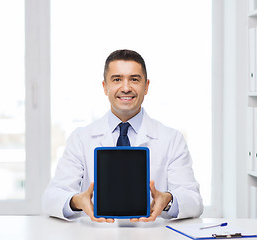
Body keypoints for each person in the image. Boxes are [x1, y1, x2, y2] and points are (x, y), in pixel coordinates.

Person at [42, 49, 203, 222]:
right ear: (105, 87)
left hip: (152, 235)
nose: (126, 88)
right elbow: (51, 197)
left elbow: (194, 200)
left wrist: (168, 201)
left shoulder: (172, 139)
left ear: (146, 86)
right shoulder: (81, 138)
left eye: (134, 79)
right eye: (117, 79)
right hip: (97, 235)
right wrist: (76, 201)